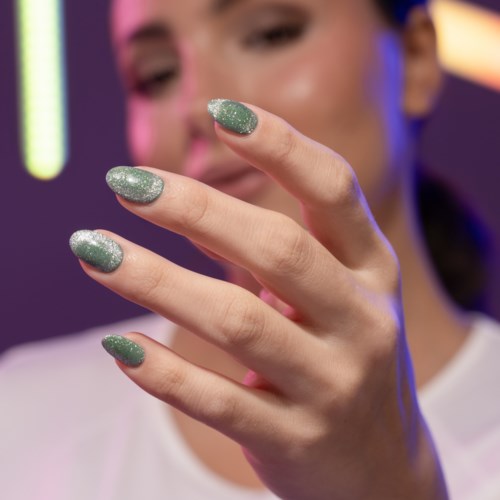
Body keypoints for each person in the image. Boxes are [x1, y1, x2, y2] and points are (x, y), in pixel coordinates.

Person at [1, 0, 499, 498]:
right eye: (157, 76)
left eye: (269, 35)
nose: (196, 103)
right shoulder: (27, 415)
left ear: (415, 59)